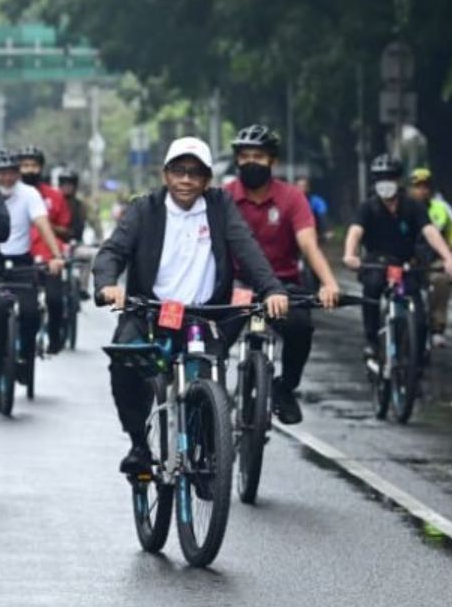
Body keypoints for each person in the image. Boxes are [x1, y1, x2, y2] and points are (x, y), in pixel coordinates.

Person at [94, 137, 288, 476]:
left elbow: (247, 248)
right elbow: (112, 251)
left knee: (211, 377)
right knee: (124, 363)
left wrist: (271, 289)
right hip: (150, 312)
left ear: (207, 179)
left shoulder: (220, 206)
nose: (186, 180)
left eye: (195, 173)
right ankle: (139, 442)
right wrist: (108, 285)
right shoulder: (145, 209)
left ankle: (209, 451)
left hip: (203, 316)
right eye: (179, 171)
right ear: (165, 174)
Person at [225, 124, 340, 423]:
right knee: (212, 337)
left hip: (281, 287)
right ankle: (206, 399)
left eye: (259, 156)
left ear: (272, 160)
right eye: (245, 155)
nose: (252, 162)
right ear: (237, 160)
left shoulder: (291, 198)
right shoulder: (223, 197)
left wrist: (328, 283)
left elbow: (308, 244)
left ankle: (286, 388)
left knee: (301, 327)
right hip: (236, 286)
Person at [341, 154, 452, 361]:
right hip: (377, 263)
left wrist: (448, 257)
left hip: (406, 264)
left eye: (390, 178)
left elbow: (430, 231)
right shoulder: (368, 207)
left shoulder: (412, 206)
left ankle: (418, 354)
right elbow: (355, 231)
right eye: (381, 178)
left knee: (420, 317)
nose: (386, 183)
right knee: (372, 289)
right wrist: (350, 254)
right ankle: (371, 340)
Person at [0, 148, 66, 401]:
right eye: (2, 173)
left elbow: (42, 224)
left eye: (12, 172)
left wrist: (56, 255)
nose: (8, 178)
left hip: (21, 264)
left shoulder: (29, 194)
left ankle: (24, 355)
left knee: (32, 312)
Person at [17, 145, 74, 354]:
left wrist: (48, 227)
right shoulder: (9, 195)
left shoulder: (55, 196)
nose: (29, 170)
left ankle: (54, 334)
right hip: (20, 260)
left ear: (40, 168)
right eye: (24, 165)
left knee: (55, 299)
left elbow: (66, 228)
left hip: (48, 259)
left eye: (33, 165)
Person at [410, 168, 452, 347]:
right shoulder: (402, 207)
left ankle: (437, 327)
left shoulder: (441, 209)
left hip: (433, 260)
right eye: (417, 186)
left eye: (425, 186)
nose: (422, 191)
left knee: (442, 279)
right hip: (408, 261)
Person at [295, 174, 329, 242]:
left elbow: (323, 217)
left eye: (303, 186)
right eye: (299, 186)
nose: (301, 189)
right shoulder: (292, 202)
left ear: (308, 188)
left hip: (314, 232)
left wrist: (326, 231)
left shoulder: (316, 201)